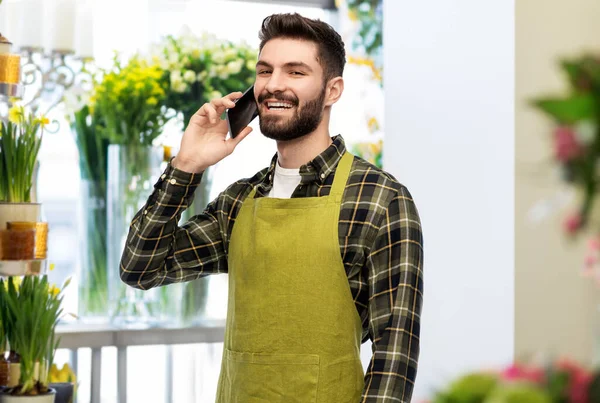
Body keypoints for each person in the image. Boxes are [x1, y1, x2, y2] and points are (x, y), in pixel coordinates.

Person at [120, 12, 424, 403]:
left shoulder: (379, 199)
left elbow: (394, 360)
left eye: (295, 72)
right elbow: (140, 268)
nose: (273, 85)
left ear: (333, 90)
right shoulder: (239, 201)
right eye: (265, 71)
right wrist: (186, 166)